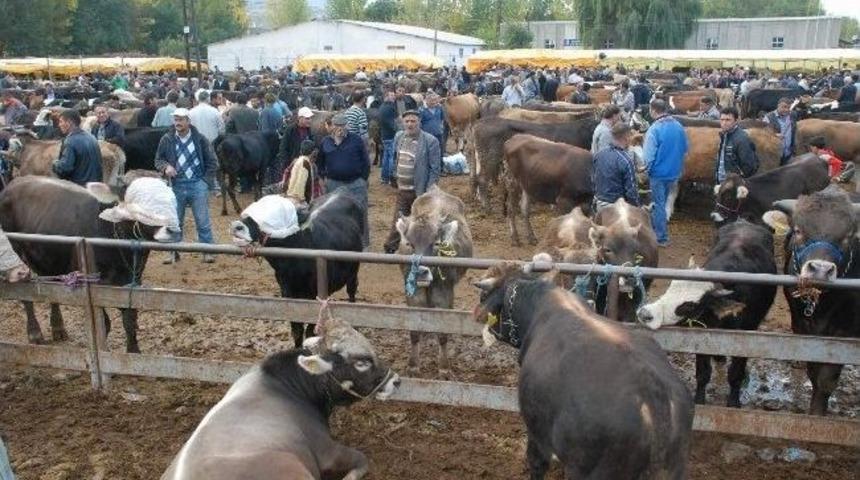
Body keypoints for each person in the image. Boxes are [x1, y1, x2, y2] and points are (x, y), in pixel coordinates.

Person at [155, 108, 218, 264]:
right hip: (176, 184)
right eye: (176, 119)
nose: (178, 123)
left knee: (202, 220)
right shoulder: (167, 139)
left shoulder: (201, 139)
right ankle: (172, 252)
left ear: (188, 121)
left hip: (197, 183)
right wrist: (165, 167)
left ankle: (207, 251)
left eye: (181, 120)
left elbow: (213, 162)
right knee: (175, 220)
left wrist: (205, 181)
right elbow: (158, 160)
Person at [383, 110, 441, 253]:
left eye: (413, 121)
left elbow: (435, 168)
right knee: (399, 220)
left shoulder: (430, 141)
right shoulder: (399, 137)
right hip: (403, 189)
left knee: (421, 223)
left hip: (420, 192)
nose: (410, 124)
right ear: (403, 123)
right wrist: (394, 175)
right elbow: (397, 157)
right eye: (407, 121)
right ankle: (390, 248)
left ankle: (423, 250)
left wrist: (428, 191)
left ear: (419, 122)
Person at [317, 114, 370, 248]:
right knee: (333, 213)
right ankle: (335, 243)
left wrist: (362, 180)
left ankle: (363, 244)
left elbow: (366, 162)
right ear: (332, 126)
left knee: (360, 212)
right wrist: (323, 178)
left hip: (355, 184)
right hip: (333, 184)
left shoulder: (356, 140)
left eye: (343, 125)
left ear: (347, 126)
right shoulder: (325, 142)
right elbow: (320, 163)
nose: (340, 128)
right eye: (337, 125)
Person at [643, 99, 688, 247]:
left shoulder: (654, 129)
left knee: (659, 205)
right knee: (664, 202)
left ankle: (661, 237)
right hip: (674, 173)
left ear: (653, 111)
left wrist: (646, 170)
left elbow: (649, 156)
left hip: (658, 174)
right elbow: (685, 149)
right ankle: (659, 231)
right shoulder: (679, 126)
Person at [592, 123, 640, 212]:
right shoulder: (626, 160)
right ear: (627, 138)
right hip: (618, 209)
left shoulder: (599, 155)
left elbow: (593, 179)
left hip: (599, 205)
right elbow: (631, 191)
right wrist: (637, 209)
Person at [52, 109, 102, 186]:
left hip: (79, 190)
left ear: (69, 123)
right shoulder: (91, 137)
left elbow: (65, 168)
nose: (59, 125)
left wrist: (55, 164)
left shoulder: (70, 141)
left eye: (61, 121)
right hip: (94, 187)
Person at [271, 107, 316, 186]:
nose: (310, 120)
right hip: (292, 166)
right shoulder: (290, 130)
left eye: (310, 118)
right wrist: (288, 164)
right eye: (307, 118)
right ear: (300, 118)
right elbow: (283, 148)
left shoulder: (309, 130)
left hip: (305, 166)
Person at [715, 106, 758, 185]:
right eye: (722, 120)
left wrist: (738, 181)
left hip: (734, 184)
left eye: (728, 120)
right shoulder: (724, 135)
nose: (724, 123)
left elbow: (749, 167)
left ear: (736, 121)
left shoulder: (742, 139)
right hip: (724, 181)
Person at [763, 97, 798, 165]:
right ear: (778, 105)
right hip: (775, 154)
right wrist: (774, 135)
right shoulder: (768, 117)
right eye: (784, 107)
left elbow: (794, 132)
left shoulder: (792, 115)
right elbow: (763, 135)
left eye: (788, 107)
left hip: (789, 153)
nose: (786, 110)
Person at [379, 90, 399, 186]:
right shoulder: (391, 107)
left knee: (386, 157)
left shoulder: (382, 107)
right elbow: (392, 123)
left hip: (384, 135)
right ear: (386, 96)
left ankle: (384, 178)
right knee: (392, 157)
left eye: (394, 95)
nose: (394, 97)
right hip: (391, 135)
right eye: (391, 95)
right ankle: (391, 178)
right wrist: (398, 130)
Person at [419, 92, 446, 162]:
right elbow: (419, 122)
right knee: (428, 151)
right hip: (427, 135)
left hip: (438, 133)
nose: (434, 102)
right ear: (426, 100)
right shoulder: (422, 110)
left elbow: (442, 118)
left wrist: (441, 127)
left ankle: (440, 166)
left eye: (435, 100)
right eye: (431, 100)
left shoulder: (439, 108)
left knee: (440, 150)